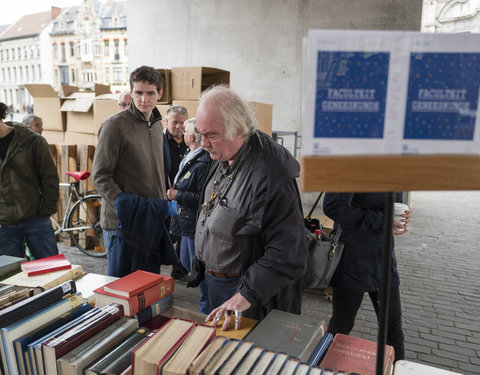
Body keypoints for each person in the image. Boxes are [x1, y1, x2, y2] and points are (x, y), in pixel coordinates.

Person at [194, 86, 309, 329]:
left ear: (238, 129)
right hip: (216, 282)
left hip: (247, 295)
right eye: (199, 132)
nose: (202, 143)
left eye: (211, 135)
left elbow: (289, 252)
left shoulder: (271, 174)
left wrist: (246, 294)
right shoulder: (221, 154)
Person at [92, 66, 172, 275]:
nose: (144, 99)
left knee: (146, 289)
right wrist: (126, 206)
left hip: (150, 221)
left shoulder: (156, 125)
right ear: (131, 92)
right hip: (122, 225)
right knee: (122, 292)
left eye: (150, 93)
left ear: (160, 94)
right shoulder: (114, 126)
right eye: (138, 93)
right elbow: (100, 176)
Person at [322, 192, 411, 361]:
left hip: (383, 259)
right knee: (342, 326)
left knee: (392, 330)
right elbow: (332, 206)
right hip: (352, 258)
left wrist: (400, 216)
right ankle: (325, 369)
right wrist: (381, 220)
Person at [0, 102, 59, 259]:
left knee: (50, 272)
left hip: (36, 219)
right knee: (10, 278)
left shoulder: (32, 141)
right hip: (4, 225)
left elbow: (50, 178)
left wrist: (45, 211)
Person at [167, 118, 211, 314]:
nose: (182, 134)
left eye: (185, 132)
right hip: (184, 219)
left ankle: (207, 306)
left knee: (197, 268)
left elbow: (202, 196)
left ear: (191, 137)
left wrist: (178, 195)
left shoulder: (203, 161)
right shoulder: (191, 154)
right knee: (185, 262)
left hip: (192, 221)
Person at [164, 105, 190, 280]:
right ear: (167, 121)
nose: (179, 126)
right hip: (164, 197)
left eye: (182, 123)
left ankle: (178, 271)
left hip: (183, 198)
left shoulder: (190, 143)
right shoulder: (159, 142)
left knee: (182, 235)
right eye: (175, 122)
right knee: (164, 232)